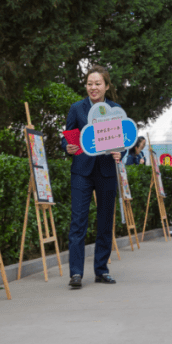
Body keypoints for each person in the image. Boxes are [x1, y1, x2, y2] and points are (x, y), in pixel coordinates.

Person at [63, 66, 124, 289]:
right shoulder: (76, 109)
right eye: (90, 83)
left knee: (105, 221)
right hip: (81, 171)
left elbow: (122, 140)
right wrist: (67, 147)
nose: (93, 87)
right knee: (78, 221)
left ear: (106, 86)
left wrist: (121, 152)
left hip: (107, 171)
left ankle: (101, 270)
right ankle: (76, 273)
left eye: (98, 83)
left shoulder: (115, 110)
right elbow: (68, 136)